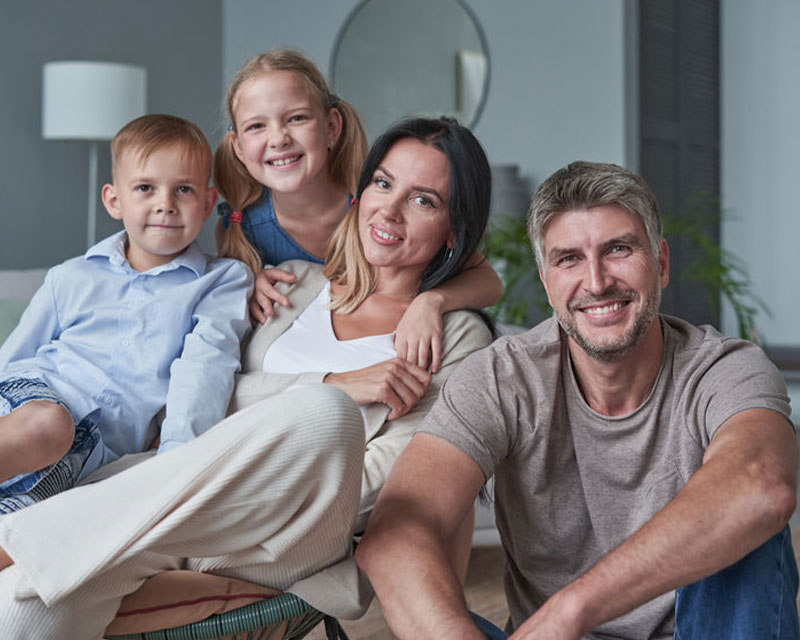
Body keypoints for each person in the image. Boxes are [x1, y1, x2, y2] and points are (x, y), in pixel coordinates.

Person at [0, 117, 495, 639]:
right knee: (23, 610)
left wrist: (425, 308)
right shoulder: (292, 284)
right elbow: (193, 395)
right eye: (383, 182)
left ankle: (18, 537)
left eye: (424, 201)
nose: (389, 210)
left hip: (289, 526)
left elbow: (388, 480)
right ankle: (35, 542)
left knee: (325, 417)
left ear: (453, 232)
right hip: (163, 508)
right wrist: (334, 381)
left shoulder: (455, 338)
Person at [357, 160, 799, 639]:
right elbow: (394, 538)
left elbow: (762, 487)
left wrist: (572, 610)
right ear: (547, 282)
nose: (596, 281)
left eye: (618, 250)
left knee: (748, 522)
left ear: (662, 263)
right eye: (569, 259)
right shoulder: (504, 376)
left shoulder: (725, 369)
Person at [0, 114, 252, 514]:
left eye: (183, 189)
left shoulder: (220, 282)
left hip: (91, 455)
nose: (165, 205)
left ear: (207, 203)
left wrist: (175, 462)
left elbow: (206, 368)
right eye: (146, 188)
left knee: (25, 528)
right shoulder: (72, 276)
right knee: (48, 426)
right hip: (30, 403)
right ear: (115, 200)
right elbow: (16, 353)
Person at [215, 49, 501, 372]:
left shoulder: (365, 201)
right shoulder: (245, 227)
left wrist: (431, 301)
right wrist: (251, 285)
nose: (279, 138)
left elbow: (490, 281)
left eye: (296, 118)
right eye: (256, 126)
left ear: (332, 127)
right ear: (237, 146)